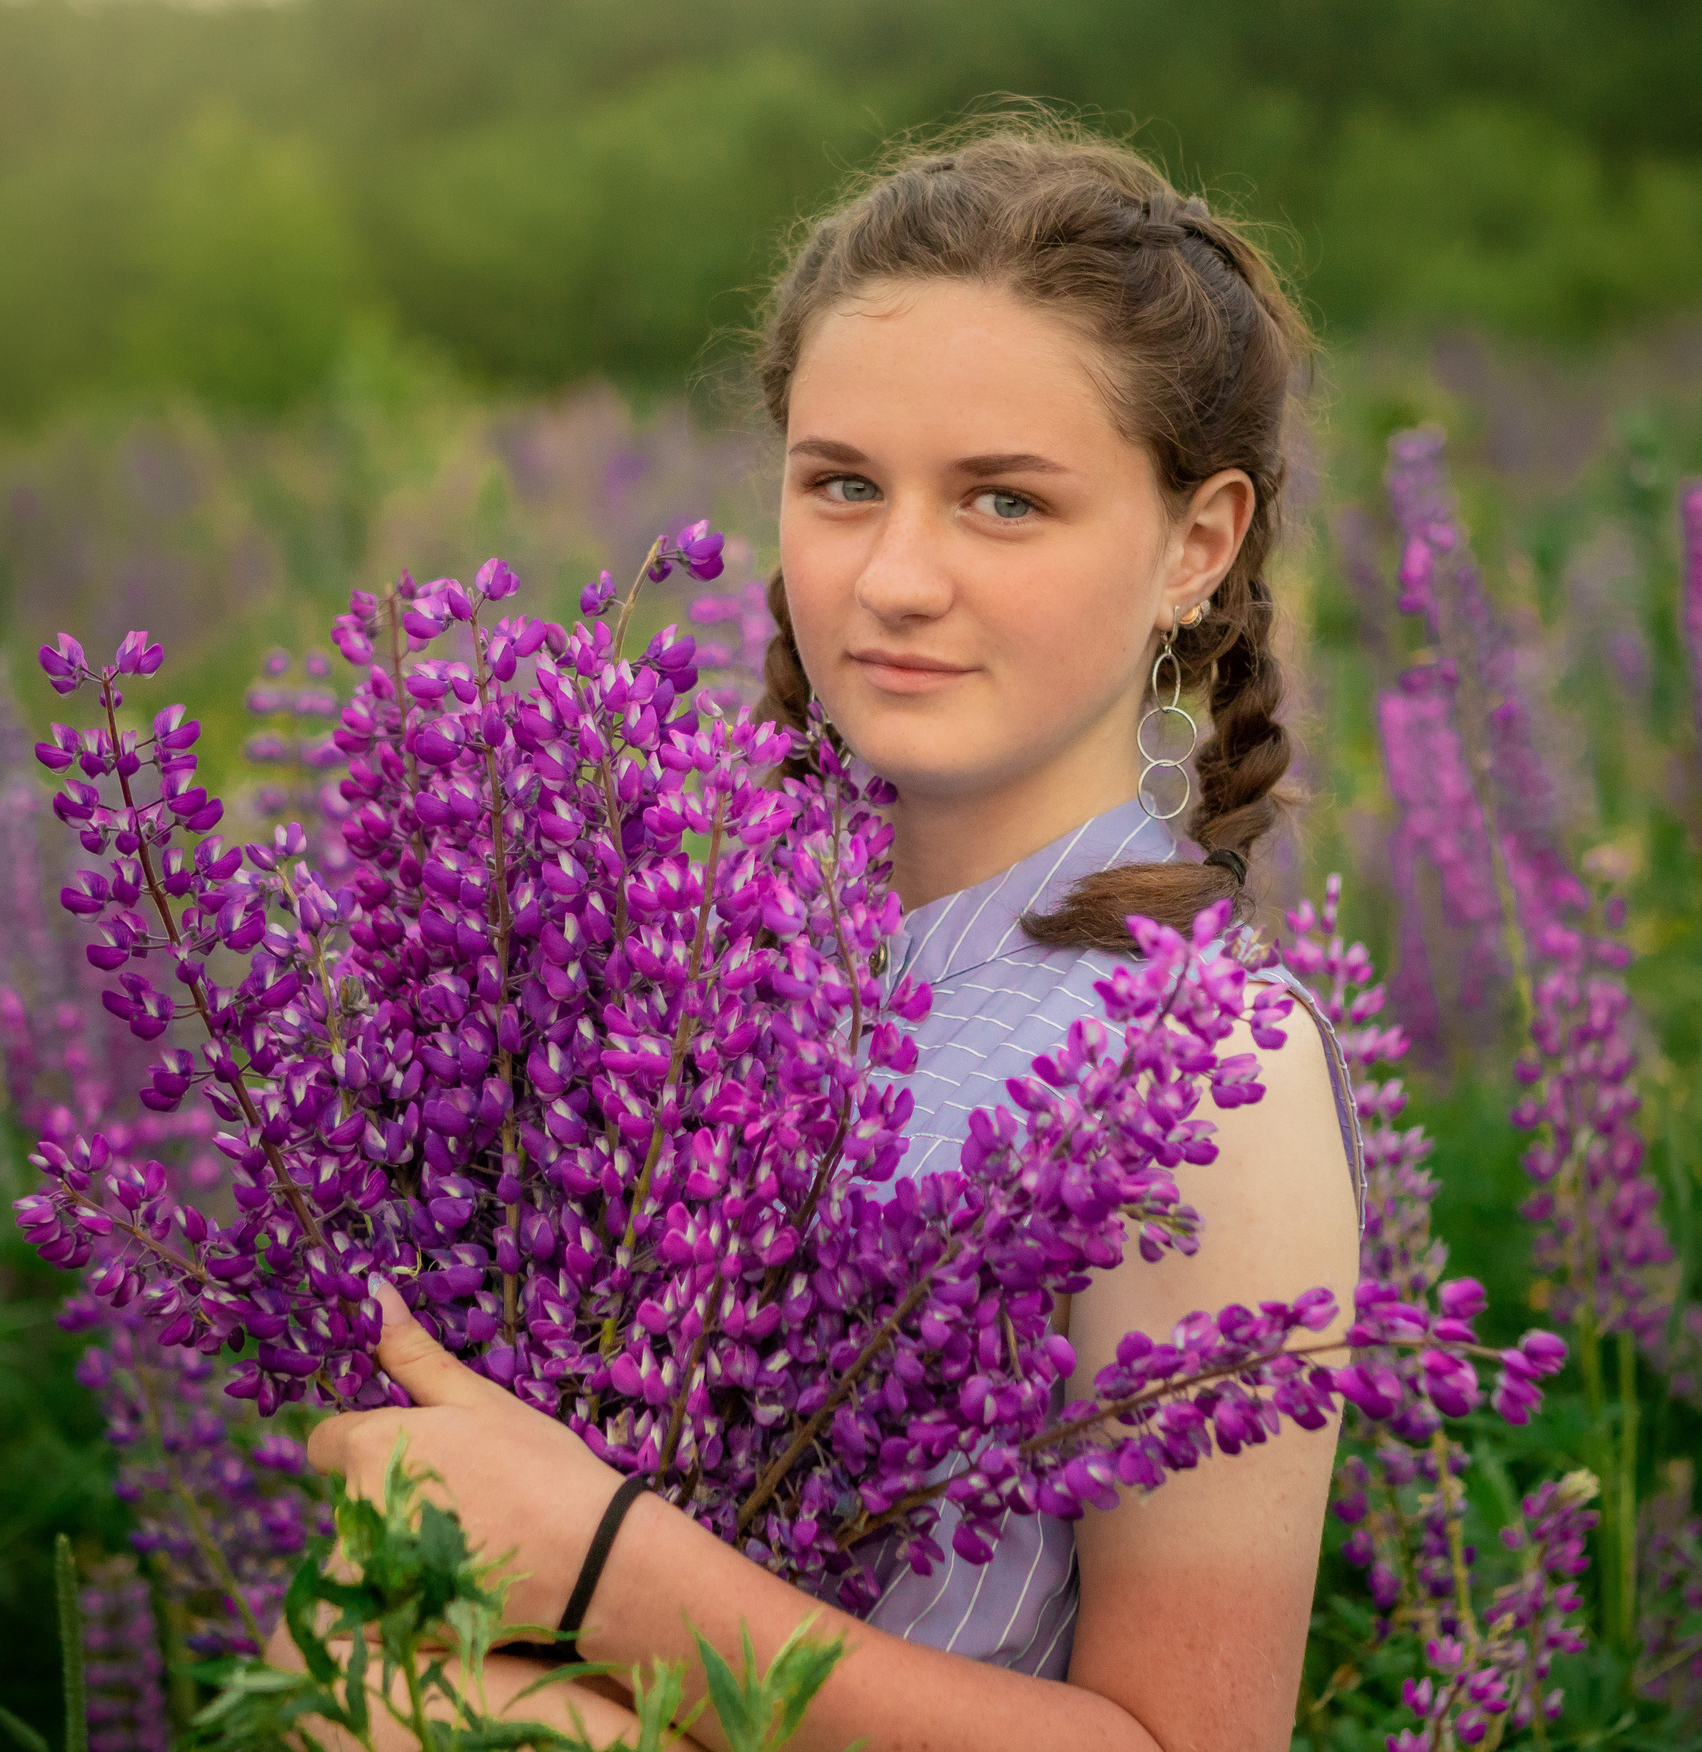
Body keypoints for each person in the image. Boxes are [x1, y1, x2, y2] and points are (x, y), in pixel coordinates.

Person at [288, 119, 1364, 1751]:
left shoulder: (1198, 1062)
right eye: (844, 486)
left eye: (1005, 502)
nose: (897, 576)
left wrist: (597, 1580)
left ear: (1195, 545)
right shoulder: (643, 938)